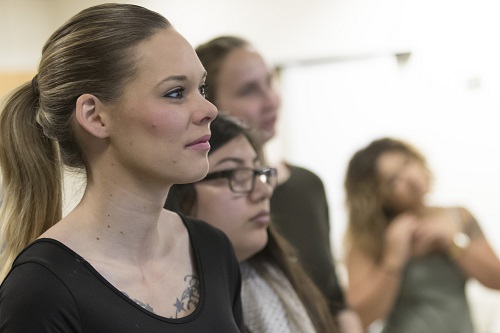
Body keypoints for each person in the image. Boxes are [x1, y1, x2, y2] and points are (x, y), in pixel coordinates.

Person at [0, 4, 243, 332]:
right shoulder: (41, 291)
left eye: (201, 88)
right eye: (175, 93)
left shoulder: (212, 248)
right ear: (95, 116)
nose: (209, 109)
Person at [195, 35, 363, 332]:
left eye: (269, 83)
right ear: (209, 106)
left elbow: (333, 297)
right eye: (249, 90)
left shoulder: (306, 185)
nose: (270, 100)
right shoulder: (198, 190)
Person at [166, 113, 338, 333]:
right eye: (236, 174)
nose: (264, 191)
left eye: (259, 171)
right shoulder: (172, 303)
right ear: (179, 194)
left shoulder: (273, 279)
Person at [343, 137, 500, 333]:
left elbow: (496, 280)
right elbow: (361, 316)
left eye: (407, 163)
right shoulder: (370, 238)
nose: (410, 178)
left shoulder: (459, 217)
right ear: (376, 196)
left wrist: (452, 245)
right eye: (393, 180)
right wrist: (393, 258)